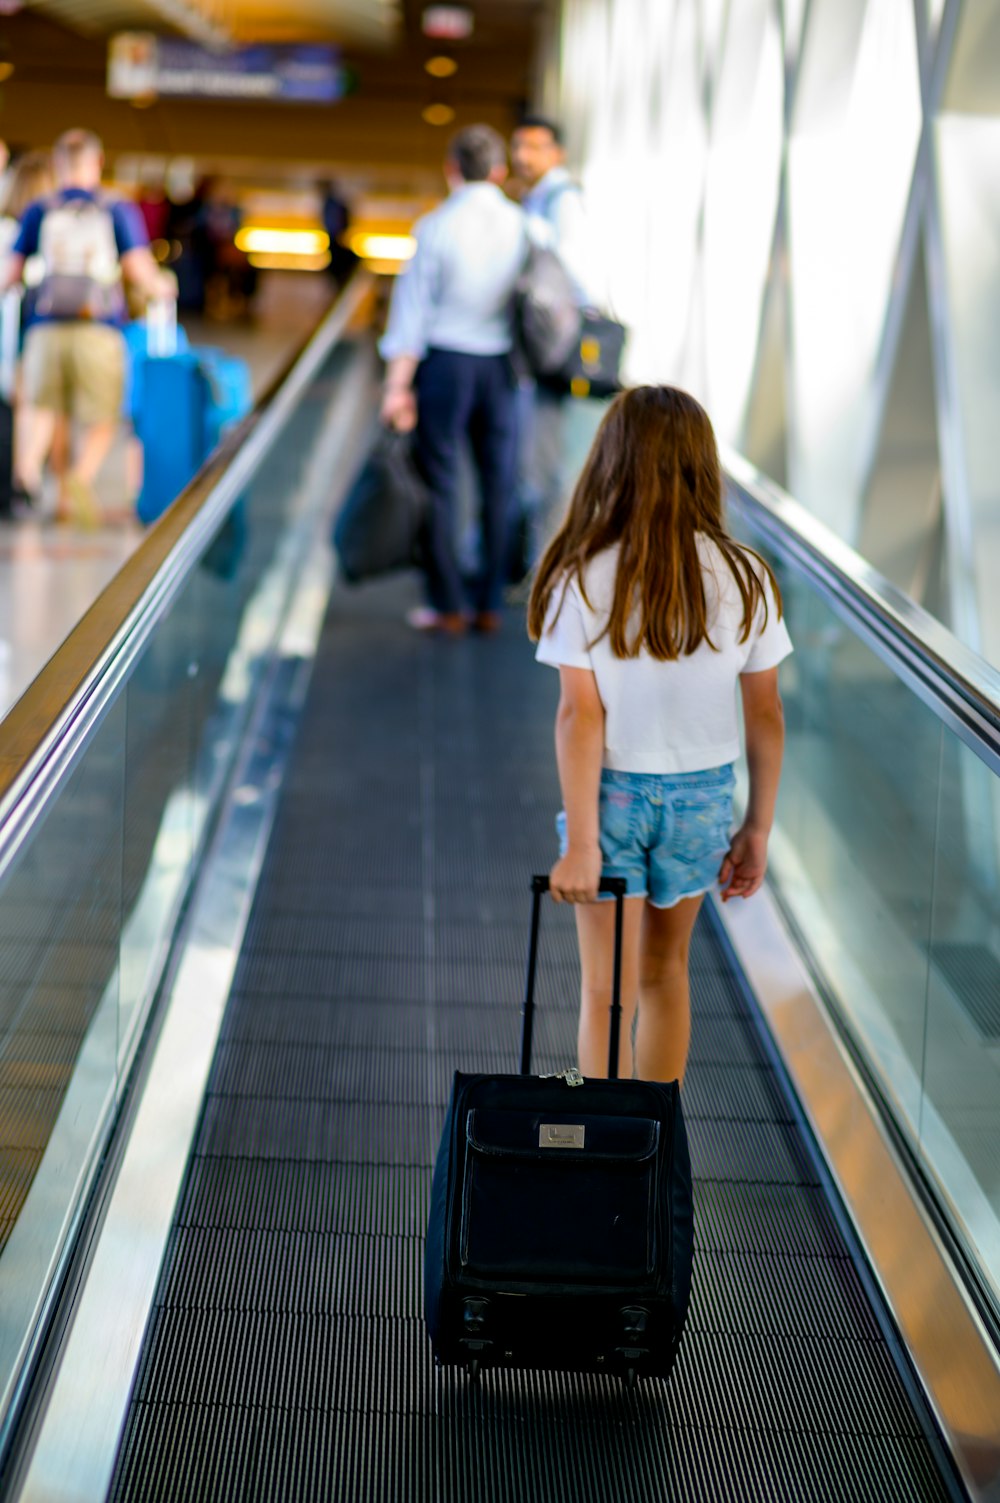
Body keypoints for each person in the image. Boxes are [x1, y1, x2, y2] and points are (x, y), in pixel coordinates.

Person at [528, 386, 792, 1084]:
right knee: (665, 976)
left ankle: (608, 1160)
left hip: (612, 794)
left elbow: (580, 716)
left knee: (603, 991)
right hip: (704, 797)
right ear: (702, 467)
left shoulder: (583, 575)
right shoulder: (747, 577)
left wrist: (583, 843)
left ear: (610, 463)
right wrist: (758, 827)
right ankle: (654, 1150)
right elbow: (765, 713)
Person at [380, 123, 525, 635]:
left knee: (442, 482)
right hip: (502, 365)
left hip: (445, 363)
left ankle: (447, 606)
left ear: (450, 170)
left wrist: (398, 385)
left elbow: (411, 315)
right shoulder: (524, 225)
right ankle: (489, 601)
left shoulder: (435, 226)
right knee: (498, 483)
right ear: (500, 171)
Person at [0, 128, 175, 525]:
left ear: (59, 164)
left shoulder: (40, 209)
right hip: (97, 326)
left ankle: (27, 479)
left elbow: (9, 275)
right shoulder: (115, 208)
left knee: (45, 408)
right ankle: (79, 477)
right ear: (96, 163)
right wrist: (161, 286)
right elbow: (138, 269)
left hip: (44, 327)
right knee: (103, 413)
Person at [510, 115, 603, 566]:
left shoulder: (561, 202)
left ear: (556, 153)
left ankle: (548, 567)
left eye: (534, 147)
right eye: (519, 147)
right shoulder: (540, 199)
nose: (523, 156)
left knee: (550, 465)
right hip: (550, 348)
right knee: (539, 462)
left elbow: (572, 271)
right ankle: (540, 561)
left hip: (556, 350)